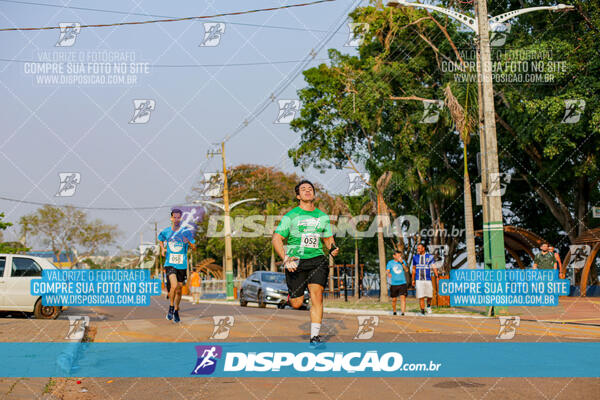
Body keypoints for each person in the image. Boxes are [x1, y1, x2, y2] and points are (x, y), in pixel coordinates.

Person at [272, 180, 338, 348]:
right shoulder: (291, 216)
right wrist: (286, 258)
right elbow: (277, 238)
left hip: (317, 259)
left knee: (317, 296)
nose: (308, 191)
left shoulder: (322, 216)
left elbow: (328, 238)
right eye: (304, 189)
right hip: (296, 261)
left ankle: (314, 338)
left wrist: (332, 247)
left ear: (314, 194)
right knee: (297, 303)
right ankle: (292, 294)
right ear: (298, 196)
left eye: (310, 189)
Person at [158, 209, 196, 323]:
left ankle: (176, 310)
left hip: (182, 265)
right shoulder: (166, 231)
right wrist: (163, 249)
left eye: (178, 217)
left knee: (179, 290)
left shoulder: (186, 232)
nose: (176, 219)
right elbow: (160, 239)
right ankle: (170, 307)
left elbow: (194, 247)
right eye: (174, 217)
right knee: (173, 286)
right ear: (171, 218)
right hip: (170, 264)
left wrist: (189, 242)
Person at [411, 244, 439, 315]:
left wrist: (437, 276)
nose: (418, 250)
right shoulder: (415, 257)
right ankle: (422, 311)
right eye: (417, 248)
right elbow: (414, 269)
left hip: (428, 279)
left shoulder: (429, 257)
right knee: (421, 296)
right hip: (419, 280)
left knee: (430, 296)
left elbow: (434, 267)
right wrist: (413, 279)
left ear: (423, 248)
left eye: (419, 248)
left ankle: (428, 306)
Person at [386, 250, 409, 316]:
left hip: (402, 283)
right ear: (394, 256)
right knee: (394, 299)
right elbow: (387, 271)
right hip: (394, 283)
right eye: (398, 255)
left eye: (400, 255)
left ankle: (403, 313)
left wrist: (402, 263)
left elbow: (406, 270)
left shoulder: (402, 262)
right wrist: (388, 273)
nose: (399, 257)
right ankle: (394, 311)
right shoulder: (390, 263)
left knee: (403, 298)